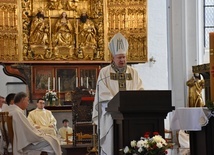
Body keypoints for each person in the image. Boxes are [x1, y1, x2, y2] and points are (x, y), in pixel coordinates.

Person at [92, 32, 144, 155]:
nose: (122, 60)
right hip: (111, 115)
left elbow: (140, 90)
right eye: (119, 57)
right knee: (112, 144)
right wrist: (117, 103)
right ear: (113, 58)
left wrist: (134, 101)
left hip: (131, 114)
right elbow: (102, 93)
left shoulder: (133, 72)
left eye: (124, 57)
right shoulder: (104, 73)